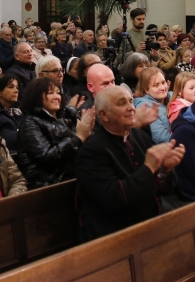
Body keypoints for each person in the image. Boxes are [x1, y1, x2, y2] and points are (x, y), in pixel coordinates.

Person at [76, 85, 185, 241]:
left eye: (130, 101)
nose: (131, 108)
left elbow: (167, 190)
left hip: (152, 221)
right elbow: (114, 199)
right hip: (117, 233)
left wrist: (164, 170)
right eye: (122, 103)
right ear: (104, 115)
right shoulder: (91, 152)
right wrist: (149, 167)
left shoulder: (139, 136)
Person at [16, 76, 94, 189]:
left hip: (72, 174)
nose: (56, 97)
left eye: (58, 93)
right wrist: (78, 137)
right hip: (48, 182)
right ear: (36, 97)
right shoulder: (30, 123)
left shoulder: (68, 116)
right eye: (50, 93)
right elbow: (47, 158)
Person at [134, 67, 172, 144]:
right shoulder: (145, 107)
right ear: (146, 90)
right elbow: (163, 139)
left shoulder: (172, 96)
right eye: (156, 85)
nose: (162, 88)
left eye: (163, 82)